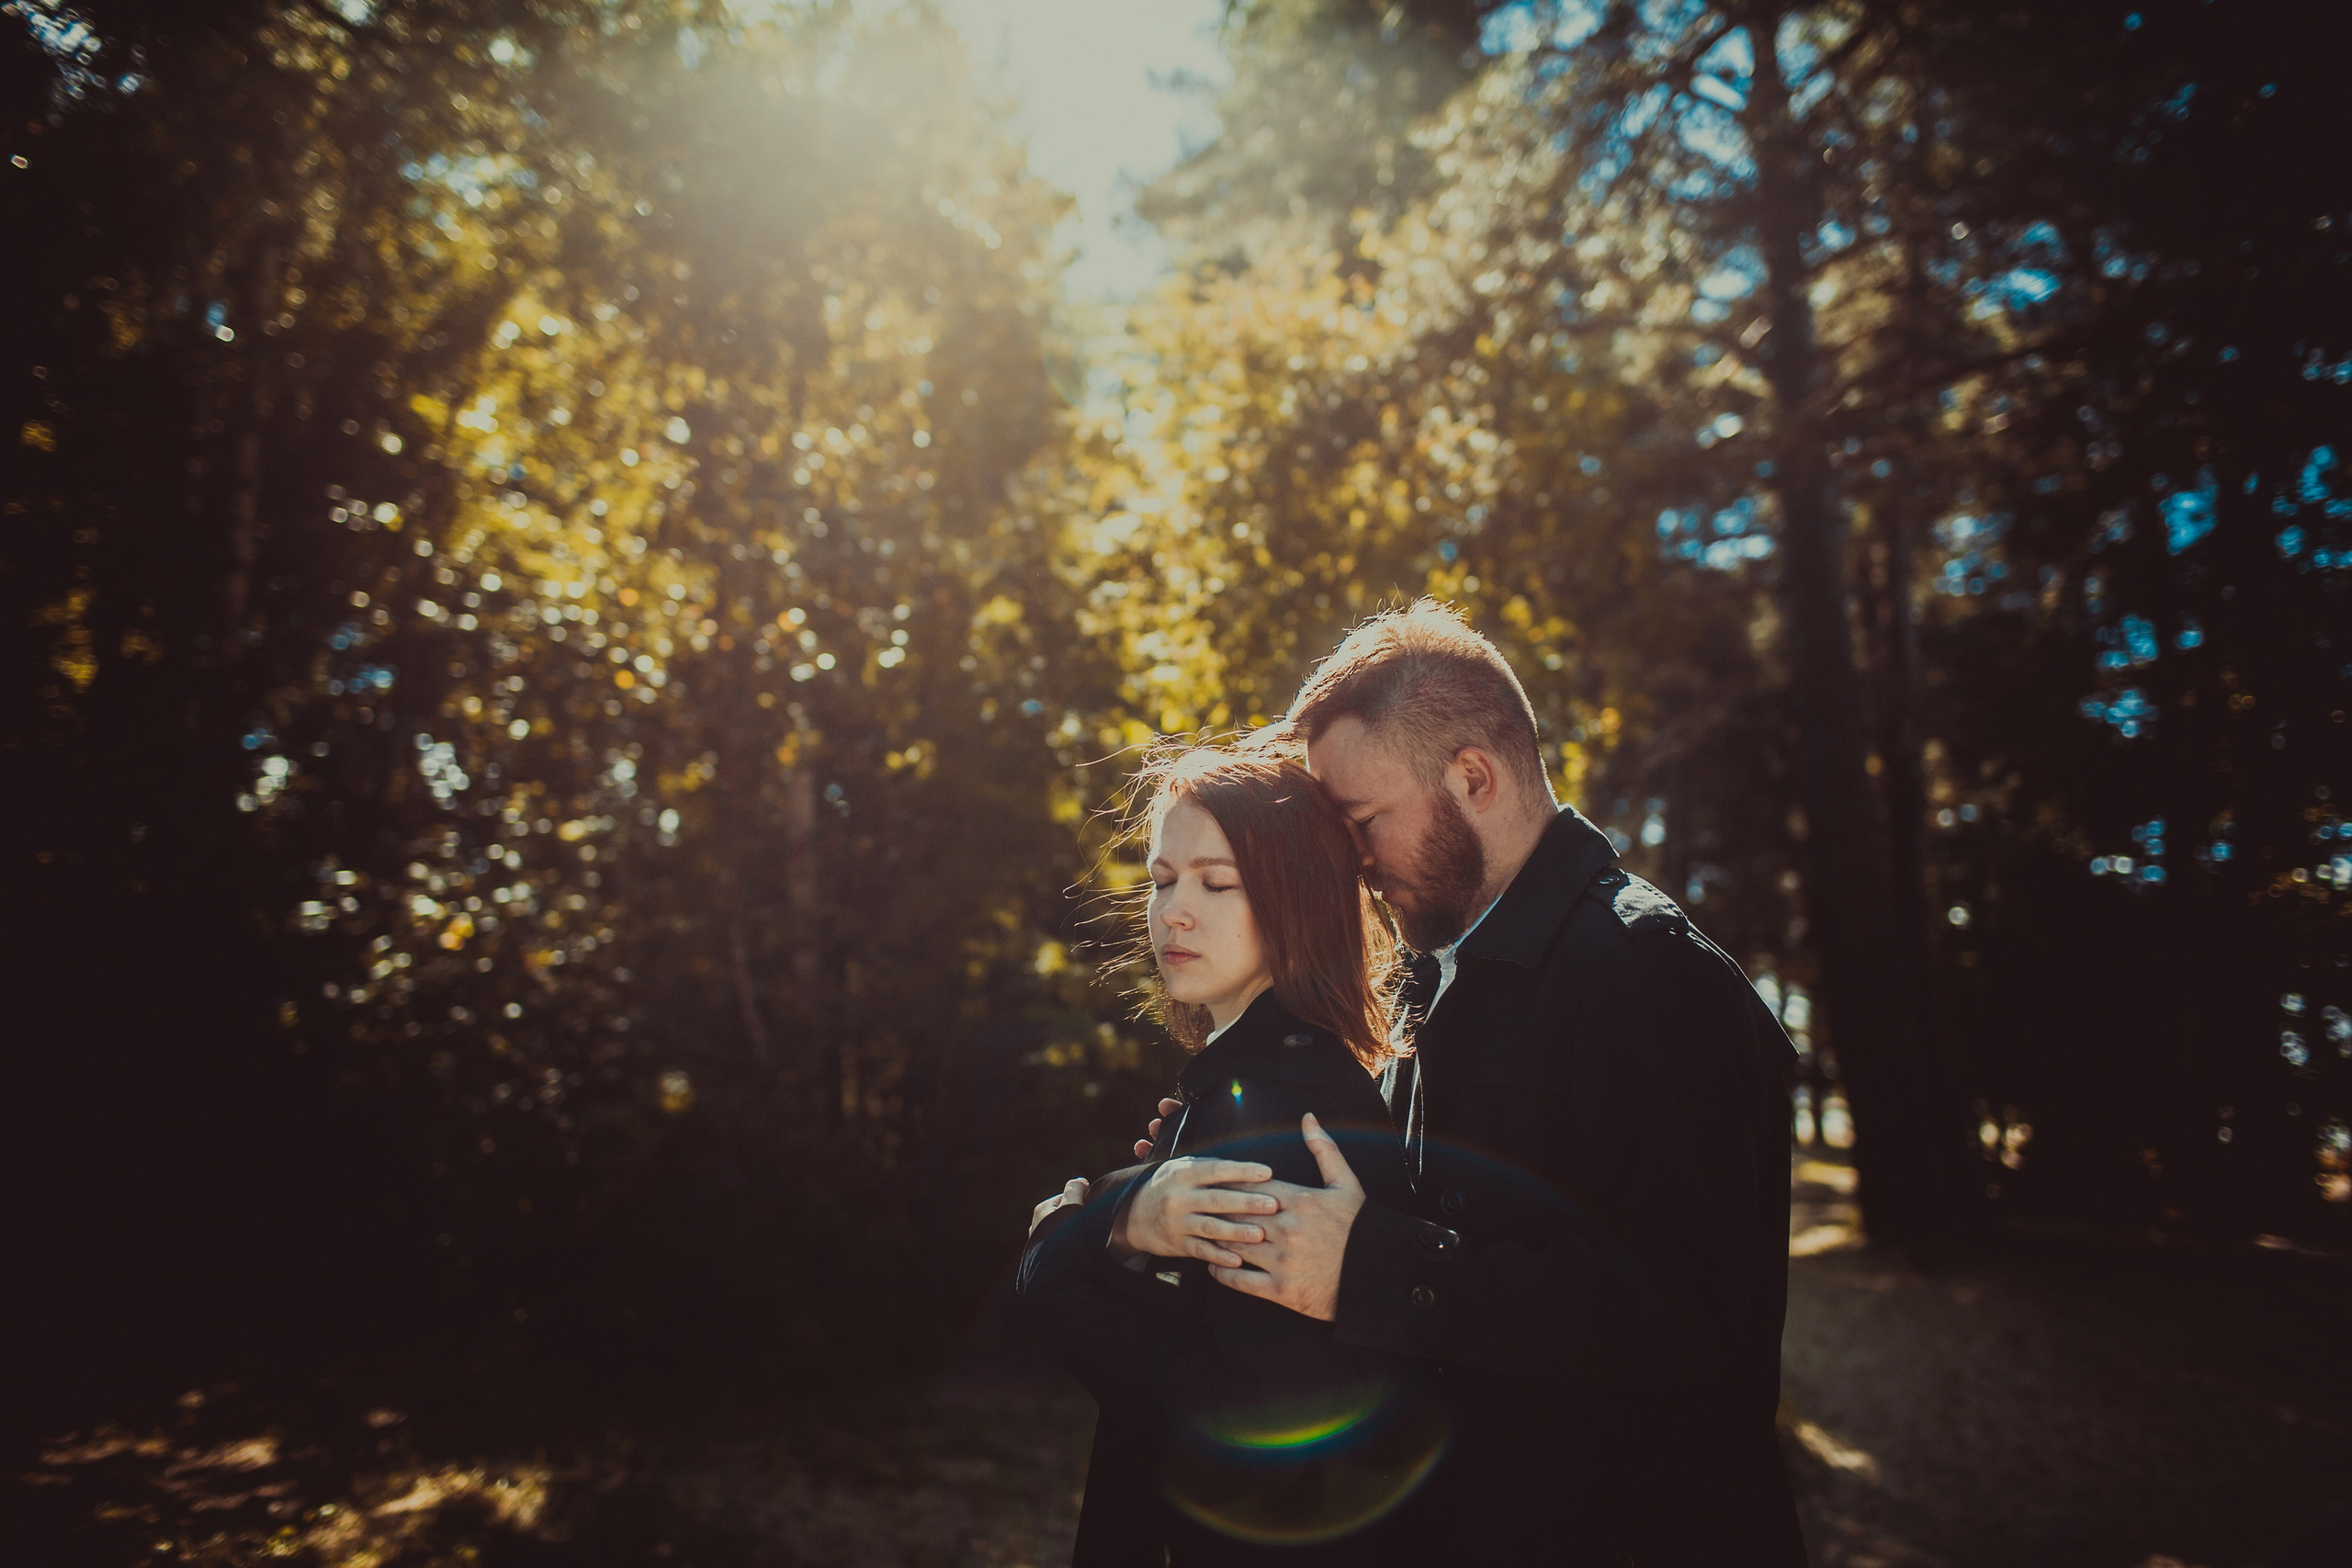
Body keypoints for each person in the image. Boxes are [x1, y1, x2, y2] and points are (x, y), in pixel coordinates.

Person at [1045, 599, 1805, 1564]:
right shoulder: (1438, 975)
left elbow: (1689, 1316)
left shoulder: (1643, 971)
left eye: (1365, 822)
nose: (1351, 865)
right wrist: (1182, 1180)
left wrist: (1369, 1264)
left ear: (1474, 777)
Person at [1019, 747, 1442, 1565]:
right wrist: (1123, 1215)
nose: (1174, 910)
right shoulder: (1236, 1084)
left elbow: (1235, 1415)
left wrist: (1053, 1262)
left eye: (1217, 883)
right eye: (1162, 878)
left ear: (1295, 899)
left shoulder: (1287, 1104)